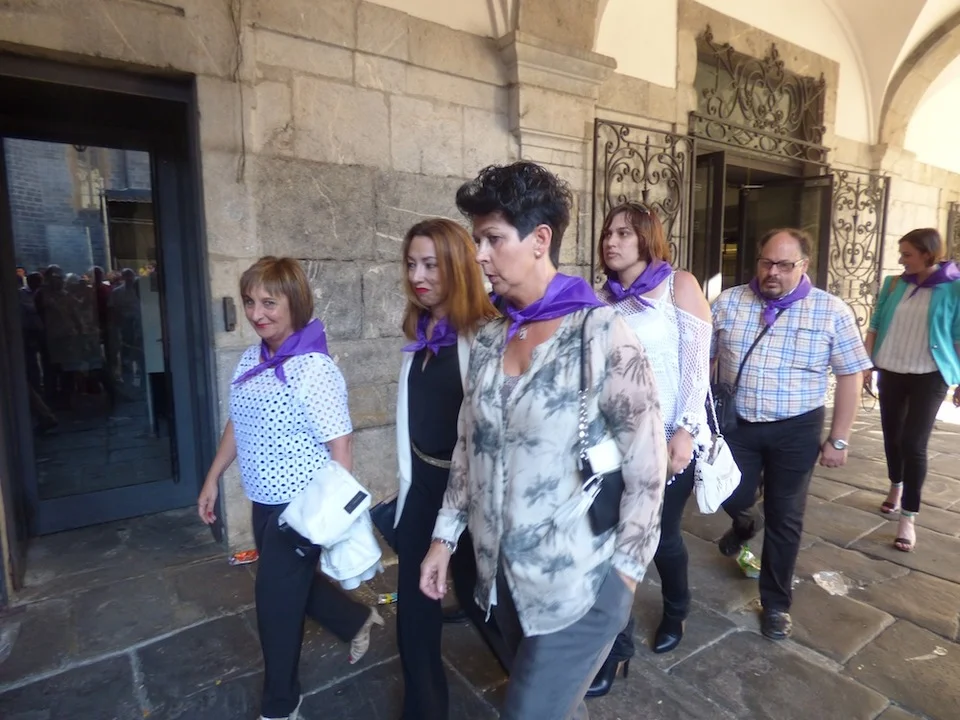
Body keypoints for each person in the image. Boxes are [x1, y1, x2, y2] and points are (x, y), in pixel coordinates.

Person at [420, 162, 668, 720]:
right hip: (502, 577)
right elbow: (469, 446)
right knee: (557, 706)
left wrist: (625, 577)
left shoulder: (600, 334)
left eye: (492, 239)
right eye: (477, 239)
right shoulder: (489, 337)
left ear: (539, 240)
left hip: (578, 583)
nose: (479, 255)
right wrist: (444, 539)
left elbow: (647, 466)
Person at [197, 256, 383, 720]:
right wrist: (213, 477)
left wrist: (331, 518)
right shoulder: (251, 358)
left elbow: (341, 446)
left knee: (274, 605)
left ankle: (281, 705)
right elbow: (237, 423)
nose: (256, 314)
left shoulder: (313, 368)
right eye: (249, 302)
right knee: (289, 585)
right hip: (262, 500)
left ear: (294, 302)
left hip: (300, 508)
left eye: (268, 303)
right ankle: (356, 619)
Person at [712, 228, 873, 640]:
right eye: (767, 262)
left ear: (804, 265)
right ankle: (745, 524)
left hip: (797, 429)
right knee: (730, 493)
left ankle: (776, 604)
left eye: (785, 265)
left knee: (786, 517)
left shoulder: (831, 311)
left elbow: (851, 374)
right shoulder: (729, 302)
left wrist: (839, 438)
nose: (773, 272)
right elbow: (706, 358)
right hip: (739, 424)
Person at [587, 202, 712, 696]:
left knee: (660, 538)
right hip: (615, 443)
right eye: (608, 233)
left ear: (646, 238)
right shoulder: (601, 299)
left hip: (668, 440)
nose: (611, 241)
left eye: (623, 233)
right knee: (613, 542)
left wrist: (685, 431)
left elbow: (696, 368)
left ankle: (677, 609)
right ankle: (615, 647)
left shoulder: (678, 286)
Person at [393, 218, 502, 720]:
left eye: (430, 265)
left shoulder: (485, 336)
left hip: (469, 494)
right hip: (422, 486)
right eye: (411, 264)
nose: (418, 276)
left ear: (457, 266)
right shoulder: (421, 332)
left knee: (490, 606)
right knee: (414, 610)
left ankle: (547, 690)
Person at [865, 228, 960, 552]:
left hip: (930, 375)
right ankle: (896, 485)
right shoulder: (894, 284)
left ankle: (908, 516)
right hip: (891, 369)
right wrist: (866, 364)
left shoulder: (954, 287)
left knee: (913, 443)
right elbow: (875, 324)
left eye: (907, 254)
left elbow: (958, 336)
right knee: (892, 436)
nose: (901, 259)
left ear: (927, 254)